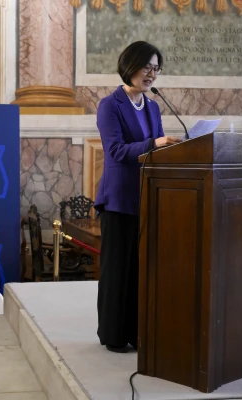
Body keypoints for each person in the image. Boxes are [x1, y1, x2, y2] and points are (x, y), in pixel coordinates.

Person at [95, 41, 181, 354]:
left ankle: (136, 330)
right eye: (147, 67)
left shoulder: (153, 107)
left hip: (147, 196)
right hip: (119, 199)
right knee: (118, 270)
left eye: (156, 69)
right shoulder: (110, 105)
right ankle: (113, 334)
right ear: (130, 65)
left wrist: (172, 148)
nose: (152, 74)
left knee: (140, 270)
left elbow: (156, 149)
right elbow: (116, 151)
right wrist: (155, 143)